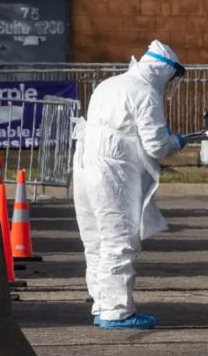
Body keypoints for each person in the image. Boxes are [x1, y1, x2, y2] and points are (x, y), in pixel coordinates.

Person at [73, 40, 188, 330]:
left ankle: (102, 303)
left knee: (96, 238)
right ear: (165, 73)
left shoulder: (110, 83)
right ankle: (117, 312)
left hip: (85, 163)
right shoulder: (146, 94)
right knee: (119, 237)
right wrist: (177, 142)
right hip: (113, 170)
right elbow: (156, 146)